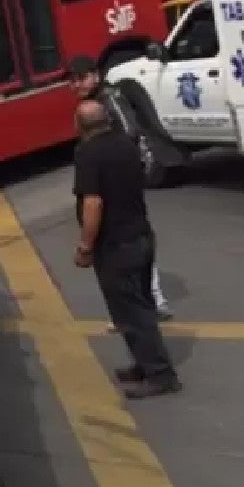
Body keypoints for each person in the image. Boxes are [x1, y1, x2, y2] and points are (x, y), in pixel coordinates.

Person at [72, 99, 182, 399]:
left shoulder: (88, 154)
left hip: (116, 246)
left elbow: (93, 203)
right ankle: (144, 364)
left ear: (80, 124)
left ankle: (160, 375)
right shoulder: (126, 143)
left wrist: (85, 246)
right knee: (139, 306)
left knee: (132, 314)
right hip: (141, 237)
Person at [68, 55, 173, 320]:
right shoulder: (91, 102)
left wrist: (112, 159)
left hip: (121, 179)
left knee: (130, 235)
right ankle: (136, 306)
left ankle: (152, 301)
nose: (76, 85)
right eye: (72, 81)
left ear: (95, 75)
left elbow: (129, 131)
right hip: (115, 176)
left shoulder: (109, 98)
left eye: (81, 79)